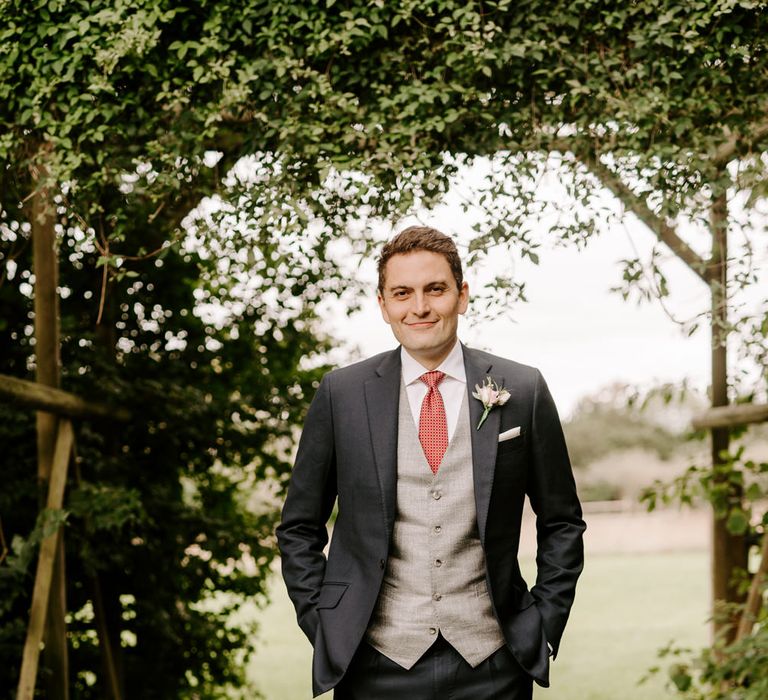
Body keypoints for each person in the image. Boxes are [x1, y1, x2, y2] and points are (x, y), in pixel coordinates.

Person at [277, 226, 585, 699]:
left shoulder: (522, 390)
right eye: (402, 293)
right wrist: (326, 624)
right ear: (384, 306)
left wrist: (543, 623)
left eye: (434, 289)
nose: (419, 307)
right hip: (373, 663)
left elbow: (562, 521)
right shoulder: (342, 394)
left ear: (461, 296)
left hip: (494, 663)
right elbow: (299, 526)